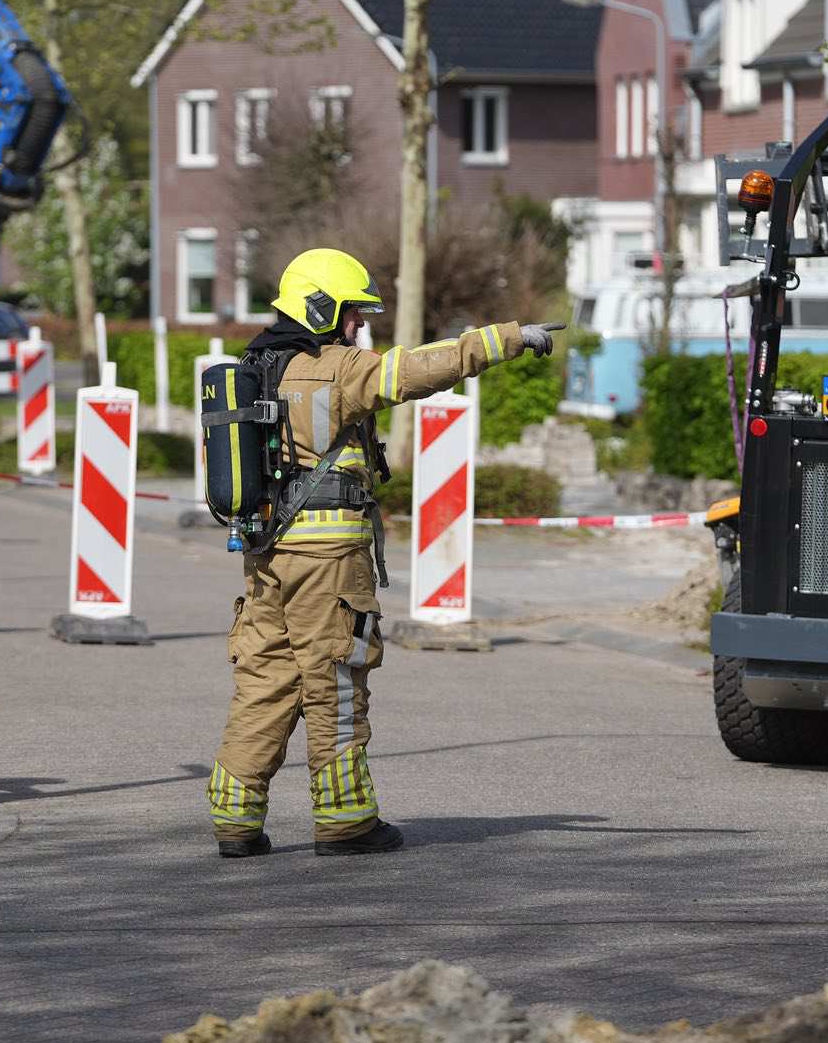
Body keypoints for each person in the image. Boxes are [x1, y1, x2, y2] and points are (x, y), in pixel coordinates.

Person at [205, 247, 561, 859]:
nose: (358, 327)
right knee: (335, 680)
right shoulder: (339, 369)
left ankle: (235, 820)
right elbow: (421, 369)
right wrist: (506, 339)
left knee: (264, 680)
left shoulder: (256, 366)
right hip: (329, 560)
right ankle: (345, 822)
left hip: (267, 553)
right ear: (323, 308)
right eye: (352, 314)